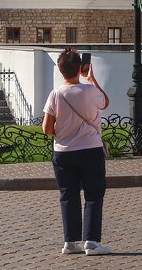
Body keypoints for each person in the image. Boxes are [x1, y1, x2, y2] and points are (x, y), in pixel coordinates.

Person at [42, 48, 110, 256]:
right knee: (93, 194)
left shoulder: (55, 94)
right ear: (80, 68)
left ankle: (70, 242)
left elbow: (46, 128)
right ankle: (91, 241)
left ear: (61, 71)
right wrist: (91, 79)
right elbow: (105, 103)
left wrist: (63, 132)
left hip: (63, 151)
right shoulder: (90, 91)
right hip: (90, 149)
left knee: (68, 195)